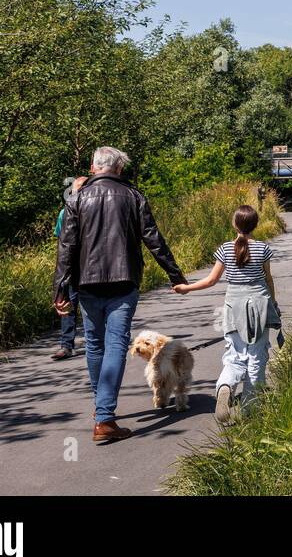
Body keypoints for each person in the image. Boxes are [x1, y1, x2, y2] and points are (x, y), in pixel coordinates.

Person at [53, 147, 188, 444]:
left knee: (94, 345)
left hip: (87, 284)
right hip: (124, 281)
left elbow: (66, 247)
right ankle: (104, 417)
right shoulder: (134, 196)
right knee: (115, 344)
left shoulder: (76, 199)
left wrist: (60, 289)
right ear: (119, 168)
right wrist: (175, 274)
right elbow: (153, 238)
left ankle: (101, 409)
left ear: (93, 167)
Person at [174, 205, 281, 425]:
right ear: (256, 225)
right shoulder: (263, 248)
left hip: (234, 307)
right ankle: (250, 407)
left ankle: (225, 385)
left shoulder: (225, 249)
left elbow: (211, 280)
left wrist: (186, 288)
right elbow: (268, 279)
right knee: (257, 357)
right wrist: (274, 304)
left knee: (235, 354)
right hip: (259, 306)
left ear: (234, 224)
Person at [50, 176, 88, 361]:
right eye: (74, 190)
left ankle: (96, 341)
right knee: (68, 304)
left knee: (91, 306)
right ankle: (66, 345)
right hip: (72, 268)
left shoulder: (95, 208)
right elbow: (61, 240)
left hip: (90, 267)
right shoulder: (63, 213)